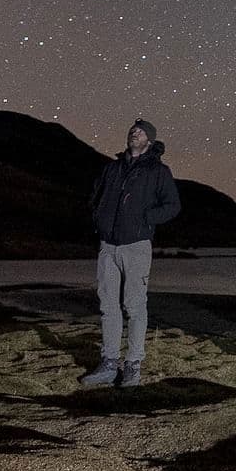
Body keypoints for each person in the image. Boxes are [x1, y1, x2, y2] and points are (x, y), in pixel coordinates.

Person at [81, 119, 180, 387]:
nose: (134, 133)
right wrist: (98, 218)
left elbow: (173, 205)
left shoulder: (158, 171)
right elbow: (95, 196)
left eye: (141, 131)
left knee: (134, 305)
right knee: (108, 306)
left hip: (136, 245)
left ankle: (133, 364)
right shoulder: (112, 168)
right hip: (108, 246)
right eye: (133, 130)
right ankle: (109, 363)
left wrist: (146, 219)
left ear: (150, 140)